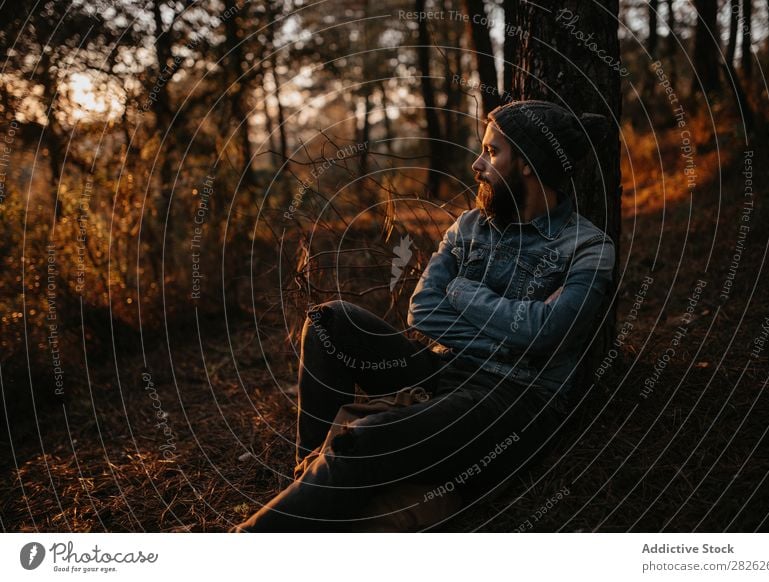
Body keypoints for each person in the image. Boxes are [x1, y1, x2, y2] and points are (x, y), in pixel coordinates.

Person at [231, 99, 616, 532]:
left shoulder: (588, 248)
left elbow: (547, 336)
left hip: (514, 399)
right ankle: (309, 481)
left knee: (363, 440)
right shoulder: (470, 226)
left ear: (526, 164)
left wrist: (462, 291)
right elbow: (423, 311)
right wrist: (513, 330)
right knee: (329, 322)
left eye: (491, 152)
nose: (477, 164)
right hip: (443, 367)